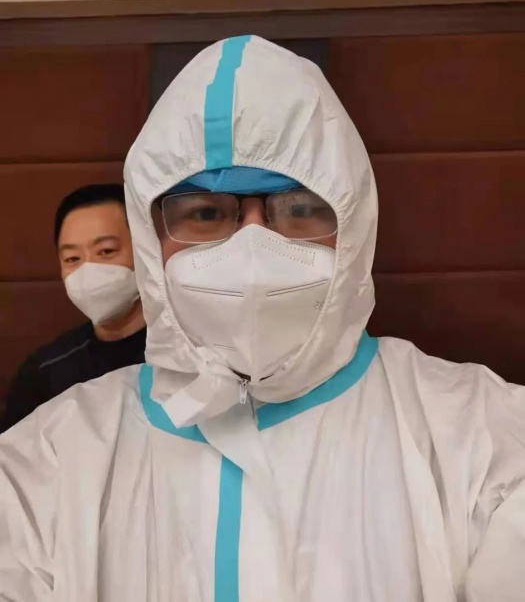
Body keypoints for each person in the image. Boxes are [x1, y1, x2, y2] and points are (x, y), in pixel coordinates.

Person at [1, 36, 524, 602]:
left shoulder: (481, 435)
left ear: (353, 227)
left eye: (297, 209)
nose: (252, 251)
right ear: (151, 242)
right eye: (206, 212)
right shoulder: (50, 460)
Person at [1, 183, 146, 431]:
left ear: (145, 249)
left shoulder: (191, 351)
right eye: (72, 259)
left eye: (106, 251)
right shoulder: (44, 374)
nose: (88, 269)